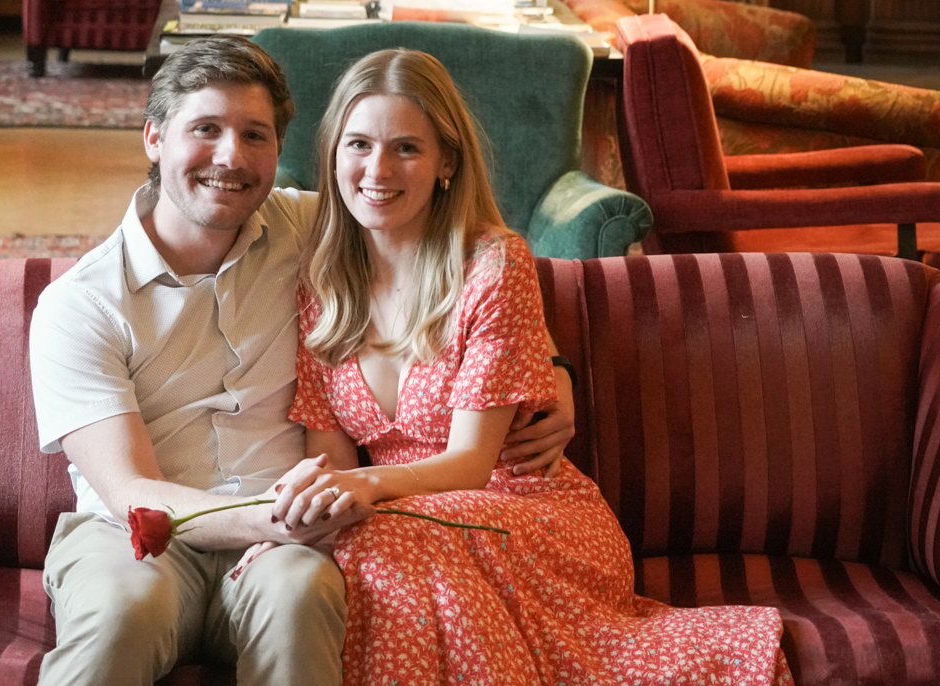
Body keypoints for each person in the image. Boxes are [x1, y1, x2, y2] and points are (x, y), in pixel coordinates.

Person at [28, 36, 575, 686]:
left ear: (278, 152)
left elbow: (450, 265)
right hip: (142, 536)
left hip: (288, 540)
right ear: (154, 137)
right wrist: (278, 520)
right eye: (206, 129)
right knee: (124, 611)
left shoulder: (315, 232)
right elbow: (130, 494)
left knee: (298, 601)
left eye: (254, 135)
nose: (231, 157)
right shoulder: (80, 304)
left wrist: (551, 369)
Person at [277, 48, 795, 685]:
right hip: (406, 524)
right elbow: (329, 457)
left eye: (406, 148)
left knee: (380, 544)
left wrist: (366, 492)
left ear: (447, 163)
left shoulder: (493, 264)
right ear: (332, 154)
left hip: (525, 511)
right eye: (358, 144)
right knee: (350, 552)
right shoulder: (321, 281)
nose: (377, 169)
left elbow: (471, 464)